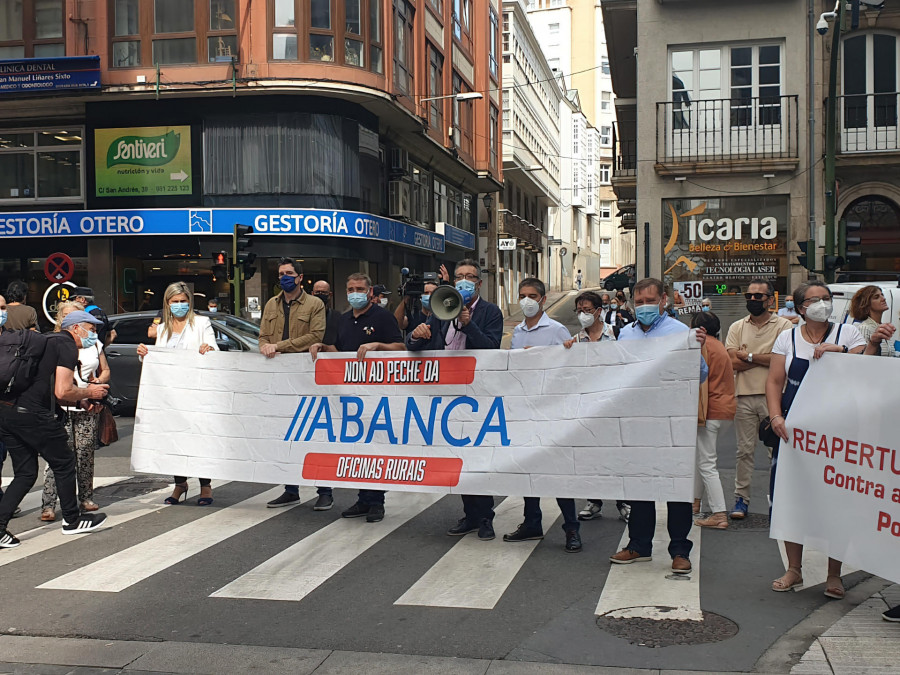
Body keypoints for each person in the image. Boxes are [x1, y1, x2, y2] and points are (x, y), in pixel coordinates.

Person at [767, 280, 890, 597]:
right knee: (792, 497)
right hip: (796, 433)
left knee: (838, 499)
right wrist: (776, 416)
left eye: (826, 298)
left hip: (837, 436)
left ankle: (834, 574)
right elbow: (775, 380)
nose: (823, 303)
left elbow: (866, 365)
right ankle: (794, 569)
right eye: (815, 299)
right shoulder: (787, 337)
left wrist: (844, 352)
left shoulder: (846, 333)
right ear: (800, 308)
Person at [608, 278, 707, 575]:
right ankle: (639, 545)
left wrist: (695, 348)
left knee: (675, 488)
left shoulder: (680, 333)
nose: (644, 307)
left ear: (663, 300)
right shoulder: (625, 335)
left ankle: (679, 549)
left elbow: (699, 373)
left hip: (672, 421)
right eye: (639, 302)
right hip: (637, 421)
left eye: (650, 300)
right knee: (640, 486)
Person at [407, 259, 503, 540]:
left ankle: (485, 516)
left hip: (476, 396)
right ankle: (470, 514)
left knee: (477, 459)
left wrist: (469, 324)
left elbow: (491, 349)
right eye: (459, 276)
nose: (463, 281)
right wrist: (415, 335)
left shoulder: (490, 312)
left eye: (469, 277)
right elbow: (415, 346)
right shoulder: (441, 308)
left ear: (479, 283)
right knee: (458, 457)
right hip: (446, 396)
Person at [0, 307, 110, 548]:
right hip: (33, 415)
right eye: (91, 330)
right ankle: (72, 520)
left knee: (26, 472)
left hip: (7, 411)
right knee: (64, 462)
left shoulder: (47, 341)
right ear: (76, 328)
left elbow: (52, 390)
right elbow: (63, 390)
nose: (94, 336)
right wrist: (90, 391)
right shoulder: (67, 345)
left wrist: (80, 400)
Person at [309, 273, 406, 522]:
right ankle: (363, 499)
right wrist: (323, 348)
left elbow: (401, 347)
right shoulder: (343, 320)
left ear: (370, 291)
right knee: (357, 447)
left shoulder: (382, 317)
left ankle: (376, 502)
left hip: (377, 394)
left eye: (360, 288)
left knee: (375, 447)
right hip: (351, 396)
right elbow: (340, 351)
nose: (355, 293)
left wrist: (378, 346)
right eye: (351, 288)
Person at [506, 278, 582, 552]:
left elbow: (570, 368)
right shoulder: (518, 333)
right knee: (528, 469)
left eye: (532, 295)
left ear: (542, 299)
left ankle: (572, 528)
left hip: (552, 411)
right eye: (522, 295)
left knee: (558, 473)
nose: (527, 301)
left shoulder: (556, 329)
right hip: (526, 409)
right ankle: (532, 522)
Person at [137, 282, 218, 506]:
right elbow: (157, 359)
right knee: (173, 439)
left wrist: (208, 349)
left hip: (195, 392)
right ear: (167, 303)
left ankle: (205, 485)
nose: (180, 305)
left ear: (190, 302)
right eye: (175, 302)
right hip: (170, 395)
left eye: (183, 301)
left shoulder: (202, 323)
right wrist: (145, 353)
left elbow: (213, 349)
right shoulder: (163, 328)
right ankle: (180, 483)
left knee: (198, 438)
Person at [260, 258, 329, 510]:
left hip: (308, 377)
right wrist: (265, 347)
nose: (284, 277)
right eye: (281, 273)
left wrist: (277, 347)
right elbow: (262, 338)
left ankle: (324, 490)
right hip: (280, 380)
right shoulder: (271, 304)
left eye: (289, 273)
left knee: (314, 433)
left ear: (300, 277)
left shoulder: (315, 304)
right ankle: (291, 489)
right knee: (286, 434)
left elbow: (314, 336)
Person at [724, 279, 793, 520]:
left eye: (758, 297)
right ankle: (741, 498)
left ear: (771, 300)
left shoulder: (783, 326)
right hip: (743, 396)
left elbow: (782, 361)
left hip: (774, 397)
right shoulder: (736, 327)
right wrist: (767, 357)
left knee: (776, 451)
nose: (752, 300)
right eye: (749, 296)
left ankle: (781, 499)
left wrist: (750, 356)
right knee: (744, 451)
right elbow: (731, 361)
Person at [40, 300, 109, 521]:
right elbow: (59, 386)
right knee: (59, 456)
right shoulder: (57, 344)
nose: (92, 331)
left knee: (85, 453)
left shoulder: (93, 344)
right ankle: (49, 503)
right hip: (62, 407)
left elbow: (105, 369)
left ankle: (85, 498)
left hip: (86, 406)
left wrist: (97, 383)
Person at [563, 291, 628, 523]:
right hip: (588, 409)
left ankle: (624, 502)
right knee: (591, 456)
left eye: (587, 310)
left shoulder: (617, 335)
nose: (583, 315)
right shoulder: (577, 341)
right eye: (579, 311)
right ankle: (594, 501)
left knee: (617, 455)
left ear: (599, 311)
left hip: (614, 406)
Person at [690, 310, 735, 529]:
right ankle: (695, 502)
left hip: (708, 410)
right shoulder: (719, 345)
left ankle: (719, 513)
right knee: (702, 458)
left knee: (706, 463)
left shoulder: (702, 345)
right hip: (725, 409)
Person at [850, 285, 893, 357]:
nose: (883, 299)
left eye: (882, 295)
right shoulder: (864, 327)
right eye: (876, 297)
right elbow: (863, 357)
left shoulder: (881, 326)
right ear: (867, 305)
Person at [312, 280, 339, 347]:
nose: (320, 294)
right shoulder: (305, 315)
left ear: (330, 295)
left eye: (324, 292)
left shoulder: (337, 317)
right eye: (317, 292)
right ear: (312, 294)